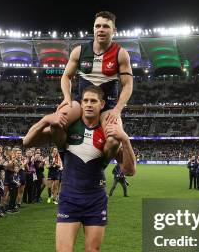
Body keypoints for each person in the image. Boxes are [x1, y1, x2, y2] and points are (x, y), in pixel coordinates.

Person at [24, 84, 136, 252]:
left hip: (95, 201)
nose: (87, 104)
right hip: (70, 200)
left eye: (93, 101)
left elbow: (130, 171)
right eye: (84, 100)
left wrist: (124, 138)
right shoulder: (66, 127)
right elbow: (27, 140)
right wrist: (46, 119)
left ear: (101, 104)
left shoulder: (108, 133)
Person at [23, 11, 134, 152]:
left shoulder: (121, 54)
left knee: (114, 140)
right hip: (81, 102)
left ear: (114, 31)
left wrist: (117, 110)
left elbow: (128, 84)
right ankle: (64, 153)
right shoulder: (79, 51)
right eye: (97, 26)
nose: (101, 29)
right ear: (93, 28)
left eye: (105, 26)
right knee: (56, 124)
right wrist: (67, 97)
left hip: (108, 106)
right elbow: (66, 77)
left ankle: (100, 164)